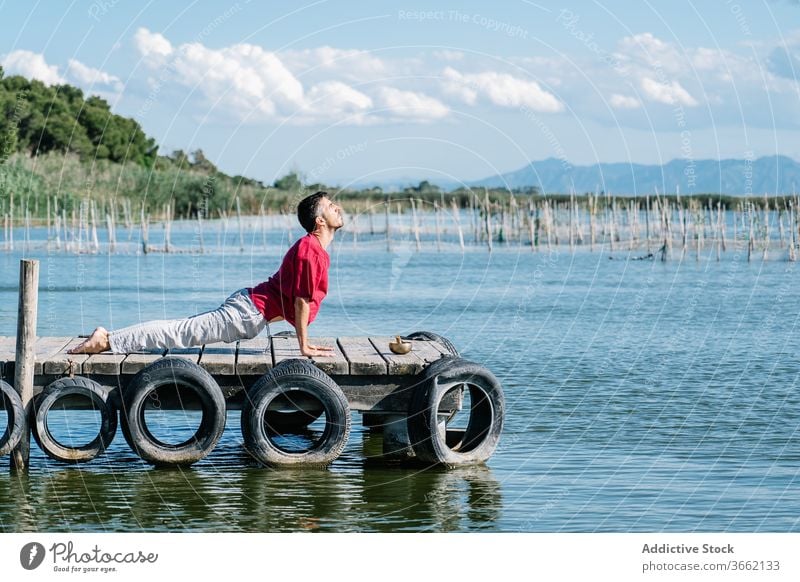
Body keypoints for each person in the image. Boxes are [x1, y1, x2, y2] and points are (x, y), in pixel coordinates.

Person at [69, 191, 343, 358]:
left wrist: (305, 343)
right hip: (247, 313)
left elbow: (299, 303)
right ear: (319, 220)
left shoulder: (314, 249)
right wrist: (304, 347)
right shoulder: (310, 250)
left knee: (182, 330)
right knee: (181, 332)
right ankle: (107, 340)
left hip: (249, 312)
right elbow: (301, 302)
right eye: (332, 207)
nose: (338, 208)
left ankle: (109, 337)